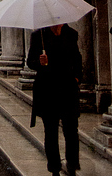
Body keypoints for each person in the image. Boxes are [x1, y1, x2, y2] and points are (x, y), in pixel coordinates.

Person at [27, 24, 82, 176]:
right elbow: (30, 62)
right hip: (47, 90)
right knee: (50, 132)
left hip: (68, 89)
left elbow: (77, 58)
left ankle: (72, 165)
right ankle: (54, 169)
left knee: (71, 130)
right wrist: (40, 62)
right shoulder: (39, 35)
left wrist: (77, 77)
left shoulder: (71, 33)